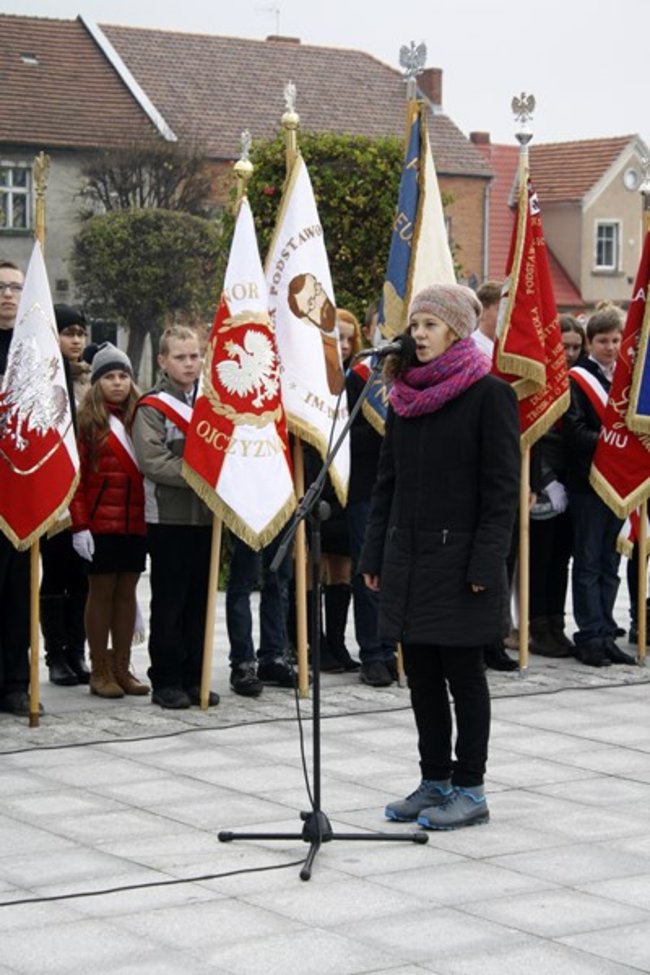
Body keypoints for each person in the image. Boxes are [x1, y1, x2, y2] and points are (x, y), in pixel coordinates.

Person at [360, 284, 520, 830]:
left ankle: (470, 789)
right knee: (422, 676)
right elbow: (387, 485)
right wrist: (375, 551)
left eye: (429, 325)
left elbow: (501, 491)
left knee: (463, 676)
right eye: (416, 324)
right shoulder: (404, 396)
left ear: (456, 330)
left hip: (460, 563)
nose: (417, 334)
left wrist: (485, 565)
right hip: (408, 556)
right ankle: (435, 781)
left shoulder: (489, 395)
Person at [132, 325, 219, 709]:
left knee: (200, 603)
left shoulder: (213, 405)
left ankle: (194, 677)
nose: (190, 363)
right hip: (168, 519)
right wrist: (202, 477)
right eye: (181, 357)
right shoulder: (153, 407)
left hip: (206, 518)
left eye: (195, 355)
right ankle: (166, 679)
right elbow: (153, 461)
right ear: (163, 361)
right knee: (170, 602)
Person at [69, 343, 150, 698]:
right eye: (109, 377)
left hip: (135, 524)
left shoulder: (141, 417)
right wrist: (80, 525)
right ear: (97, 381)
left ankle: (122, 667)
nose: (117, 383)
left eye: (123, 376)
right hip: (100, 525)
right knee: (100, 595)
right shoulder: (87, 422)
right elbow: (77, 480)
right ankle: (99, 669)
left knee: (127, 595)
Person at [564, 307, 634, 667]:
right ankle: (589, 634)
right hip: (587, 483)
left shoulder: (624, 380)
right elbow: (573, 432)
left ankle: (607, 631)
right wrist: (614, 444)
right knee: (588, 561)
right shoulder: (578, 379)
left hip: (618, 484)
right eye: (603, 341)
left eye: (616, 340)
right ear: (590, 343)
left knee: (610, 561)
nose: (610, 347)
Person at [526, 317, 586, 658]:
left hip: (571, 479)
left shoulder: (576, 382)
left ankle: (556, 624)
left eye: (577, 347)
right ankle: (538, 627)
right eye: (565, 346)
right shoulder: (539, 382)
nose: (571, 353)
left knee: (561, 558)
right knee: (540, 558)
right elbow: (533, 436)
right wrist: (546, 479)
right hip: (543, 480)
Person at [345, 303, 398, 686]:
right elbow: (346, 436)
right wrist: (386, 435)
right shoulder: (359, 378)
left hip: (407, 489)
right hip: (367, 488)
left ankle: (397, 647)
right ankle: (374, 653)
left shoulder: (414, 377)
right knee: (371, 574)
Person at [40, 305, 91, 686]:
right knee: (56, 573)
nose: (76, 340)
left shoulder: (92, 382)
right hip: (54, 489)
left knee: (82, 577)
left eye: (80, 333)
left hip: (87, 491)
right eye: (68, 332)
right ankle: (55, 654)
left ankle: (77, 650)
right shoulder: (45, 377)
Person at [0, 260, 35, 716]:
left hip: (26, 487)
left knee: (18, 594)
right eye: (1, 287)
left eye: (15, 288)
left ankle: (14, 682)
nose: (8, 295)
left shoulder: (33, 345)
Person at [226, 534, 296, 696]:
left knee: (279, 581)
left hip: (281, 510)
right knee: (243, 578)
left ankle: (273, 658)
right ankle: (242, 663)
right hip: (247, 511)